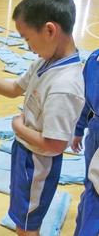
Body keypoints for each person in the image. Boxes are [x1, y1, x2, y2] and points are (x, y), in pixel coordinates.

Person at [0, 0, 84, 236]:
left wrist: (16, 126)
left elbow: (55, 145)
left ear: (50, 30)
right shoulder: (45, 61)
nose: (27, 46)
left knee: (27, 225)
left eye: (27, 38)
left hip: (39, 162)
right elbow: (14, 89)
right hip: (26, 151)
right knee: (22, 215)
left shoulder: (64, 86)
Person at [71, 50, 99, 236]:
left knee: (95, 195)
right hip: (94, 133)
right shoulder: (93, 60)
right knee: (91, 185)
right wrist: (78, 129)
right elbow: (84, 100)